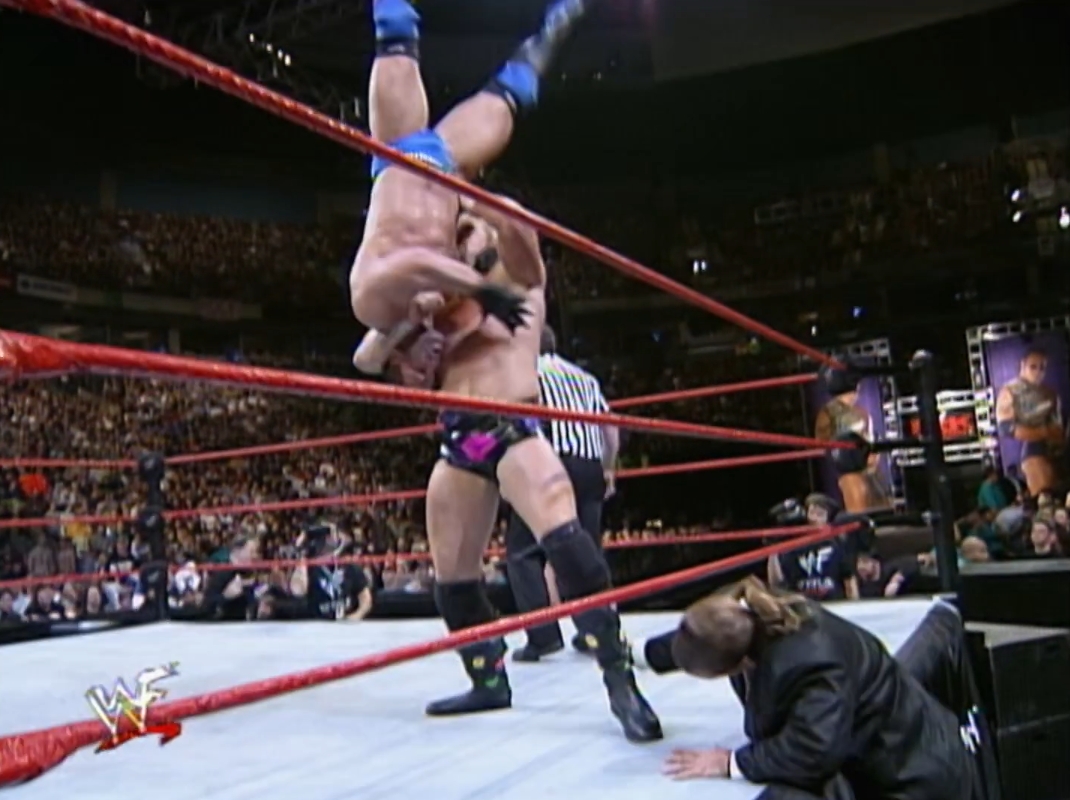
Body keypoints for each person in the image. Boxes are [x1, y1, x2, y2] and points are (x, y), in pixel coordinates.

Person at [413, 196, 661, 742]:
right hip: (460, 438)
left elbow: (522, 235)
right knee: (452, 578)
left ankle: (621, 683)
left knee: (568, 546)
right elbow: (388, 367)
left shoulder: (520, 283)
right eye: (454, 232)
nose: (460, 237)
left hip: (511, 427)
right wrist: (415, 338)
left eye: (468, 230)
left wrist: (479, 204)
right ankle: (488, 680)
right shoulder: (440, 309)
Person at [348, 0, 594, 369]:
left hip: (399, 154)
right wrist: (473, 283)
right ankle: (562, 19)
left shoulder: (371, 302)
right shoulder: (448, 299)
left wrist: (477, 291)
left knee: (396, 32)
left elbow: (367, 358)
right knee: (508, 97)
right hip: (449, 168)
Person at [649, 578, 979, 799]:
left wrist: (731, 762)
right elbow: (699, 633)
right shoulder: (747, 611)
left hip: (912, 776)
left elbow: (813, 750)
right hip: (892, 754)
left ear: (738, 665)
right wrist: (637, 654)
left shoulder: (811, 666)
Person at [505, 324, 620, 662]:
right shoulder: (585, 377)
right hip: (590, 465)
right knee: (584, 547)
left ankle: (543, 637)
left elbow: (520, 424)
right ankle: (595, 631)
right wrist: (608, 468)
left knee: (523, 552)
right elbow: (610, 428)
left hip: (552, 465)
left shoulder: (527, 374)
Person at [262, 524, 374, 620]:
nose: (332, 537)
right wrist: (302, 556)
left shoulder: (349, 566)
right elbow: (298, 590)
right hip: (318, 625)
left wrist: (356, 616)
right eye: (328, 535)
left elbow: (365, 598)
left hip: (345, 623)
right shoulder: (310, 567)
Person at [996, 347, 1064, 496]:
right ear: (1023, 365)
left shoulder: (1050, 393)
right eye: (1033, 367)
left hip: (1057, 448)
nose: (1038, 372)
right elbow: (1006, 428)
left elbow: (1058, 426)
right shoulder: (1010, 391)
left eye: (1042, 368)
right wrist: (1042, 432)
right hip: (1034, 449)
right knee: (1045, 497)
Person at [767, 494, 859, 601]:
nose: (815, 518)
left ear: (827, 519)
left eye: (820, 514)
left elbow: (849, 579)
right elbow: (777, 582)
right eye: (812, 513)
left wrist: (855, 605)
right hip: (804, 605)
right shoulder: (795, 545)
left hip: (833, 605)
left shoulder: (837, 545)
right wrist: (773, 550)